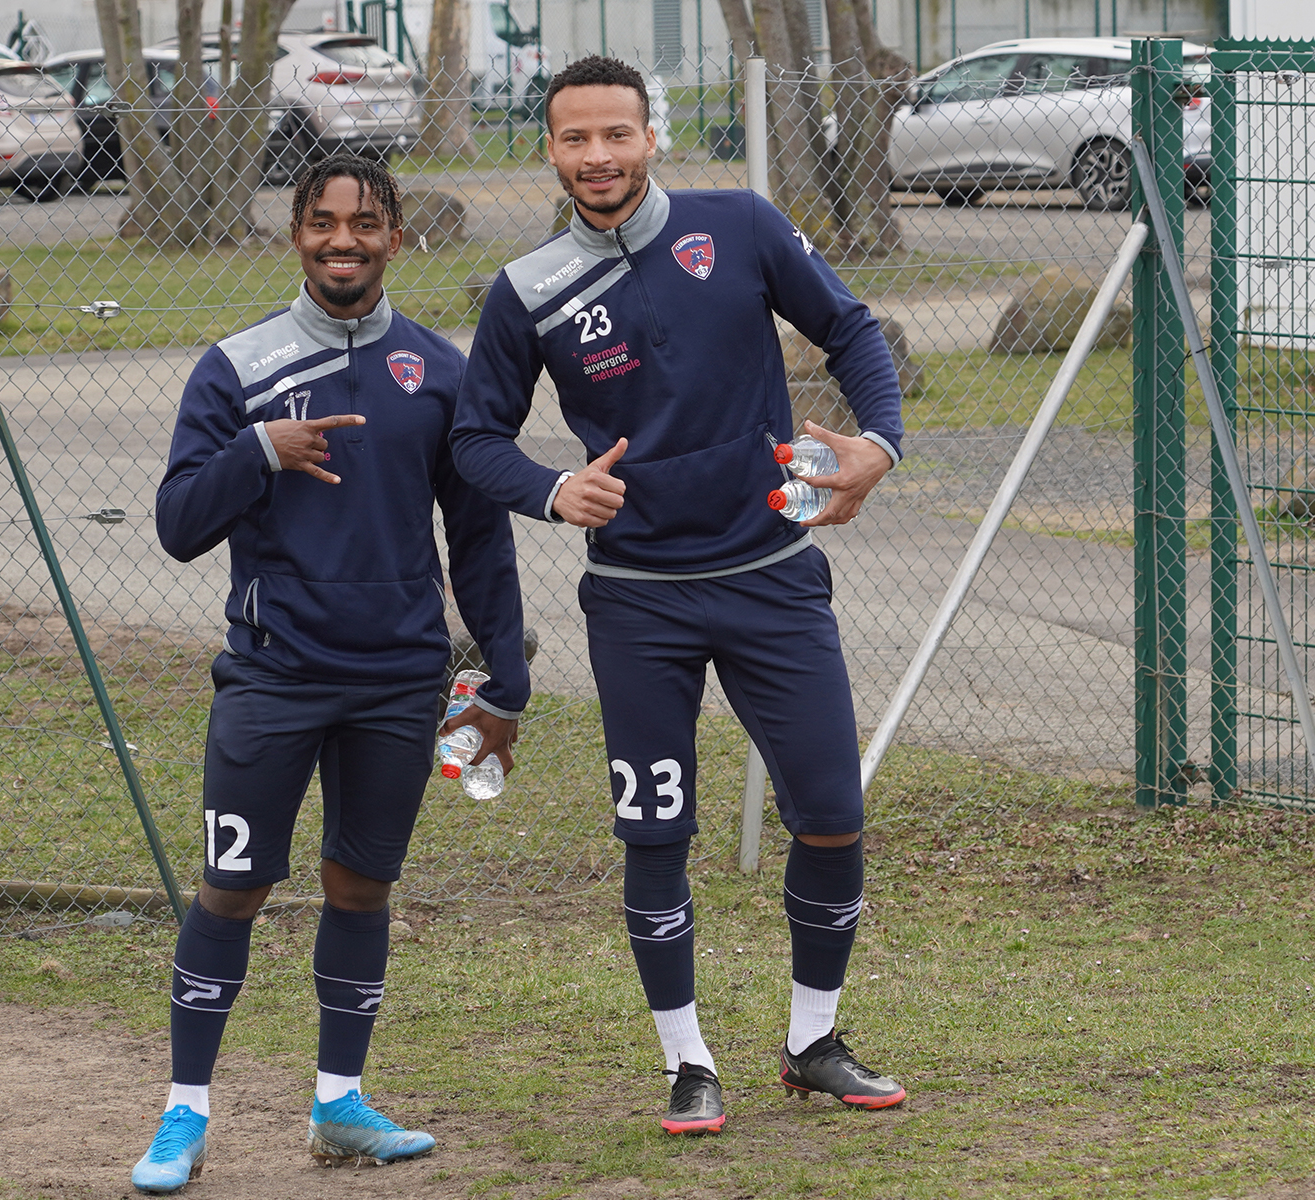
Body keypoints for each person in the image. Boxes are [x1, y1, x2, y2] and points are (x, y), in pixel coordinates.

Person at [451, 56, 908, 1133]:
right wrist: (553, 489)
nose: (597, 157)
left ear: (649, 134)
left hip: (772, 580)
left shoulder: (740, 226)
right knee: (654, 832)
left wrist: (878, 446)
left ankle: (812, 1041)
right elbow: (475, 437)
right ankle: (687, 1062)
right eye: (575, 140)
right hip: (636, 603)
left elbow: (850, 328)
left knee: (833, 816)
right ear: (549, 150)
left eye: (616, 134)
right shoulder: (526, 292)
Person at [136, 153, 528, 1192]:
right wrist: (258, 450)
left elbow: (480, 543)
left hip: (399, 681)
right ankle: (182, 1117)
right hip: (273, 677)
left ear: (396, 236)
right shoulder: (236, 367)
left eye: (363, 223)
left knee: (362, 887)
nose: (341, 240)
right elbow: (177, 526)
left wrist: (506, 682)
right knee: (233, 887)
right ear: (294, 234)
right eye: (321, 222)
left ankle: (339, 1105)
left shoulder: (440, 374)